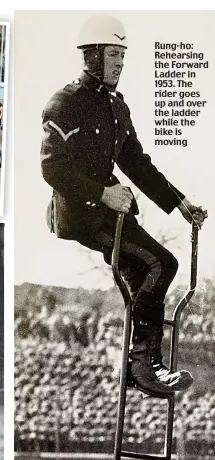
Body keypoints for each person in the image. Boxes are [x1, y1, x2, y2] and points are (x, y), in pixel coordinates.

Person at [41, 13, 207, 398]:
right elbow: (52, 169)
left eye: (122, 55)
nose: (120, 63)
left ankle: (143, 364)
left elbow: (135, 162)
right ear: (93, 56)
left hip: (108, 208)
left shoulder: (117, 105)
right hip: (80, 214)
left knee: (144, 267)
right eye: (113, 54)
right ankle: (141, 365)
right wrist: (102, 193)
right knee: (160, 263)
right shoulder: (65, 103)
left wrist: (178, 201)